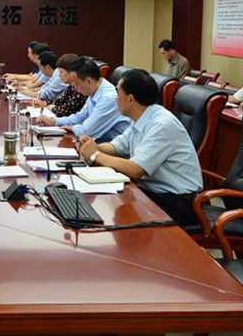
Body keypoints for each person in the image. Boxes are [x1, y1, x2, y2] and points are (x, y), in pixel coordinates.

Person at [77, 69, 203, 226]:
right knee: (105, 206)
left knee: (113, 218)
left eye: (118, 93)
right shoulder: (141, 116)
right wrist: (93, 146)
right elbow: (117, 146)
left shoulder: (161, 124)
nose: (115, 98)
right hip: (152, 191)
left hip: (176, 202)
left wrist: (95, 155)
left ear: (130, 99)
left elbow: (135, 169)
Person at [35, 57, 130, 142]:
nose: (75, 88)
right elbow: (79, 117)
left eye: (76, 83)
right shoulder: (95, 90)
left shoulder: (108, 98)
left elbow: (87, 131)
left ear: (88, 81)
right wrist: (54, 121)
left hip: (115, 149)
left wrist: (73, 128)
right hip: (100, 142)